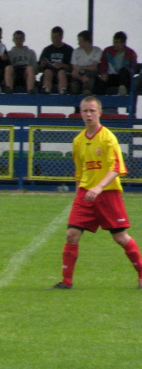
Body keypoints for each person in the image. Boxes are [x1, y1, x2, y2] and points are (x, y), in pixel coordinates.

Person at [48, 96, 142, 290]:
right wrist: (78, 193)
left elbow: (117, 167)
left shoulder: (108, 138)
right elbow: (79, 171)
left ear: (99, 113)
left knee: (120, 237)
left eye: (92, 111)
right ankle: (66, 282)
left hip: (107, 194)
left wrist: (99, 187)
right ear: (80, 113)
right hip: (85, 194)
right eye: (85, 111)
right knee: (72, 234)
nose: (88, 114)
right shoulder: (78, 141)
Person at [97, 31, 138, 96]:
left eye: (117, 42)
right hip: (111, 77)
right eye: (114, 42)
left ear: (123, 43)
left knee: (123, 70)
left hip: (124, 79)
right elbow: (103, 65)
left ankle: (122, 89)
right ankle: (100, 101)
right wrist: (103, 73)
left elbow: (134, 69)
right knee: (101, 81)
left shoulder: (130, 53)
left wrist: (128, 70)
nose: (114, 44)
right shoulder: (108, 51)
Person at [38, 26, 74, 94]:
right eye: (52, 37)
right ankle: (46, 89)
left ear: (61, 37)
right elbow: (39, 68)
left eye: (56, 37)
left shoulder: (69, 50)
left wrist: (64, 65)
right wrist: (42, 65)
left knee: (61, 72)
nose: (54, 40)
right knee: (48, 71)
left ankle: (63, 90)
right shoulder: (47, 50)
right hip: (50, 74)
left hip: (64, 74)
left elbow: (73, 67)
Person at [70, 30, 103, 95]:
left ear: (87, 41)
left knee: (91, 75)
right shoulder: (76, 52)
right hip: (79, 76)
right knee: (74, 85)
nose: (78, 43)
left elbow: (92, 67)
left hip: (92, 75)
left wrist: (79, 67)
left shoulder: (97, 50)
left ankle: (87, 93)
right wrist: (81, 78)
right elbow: (74, 71)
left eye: (80, 41)